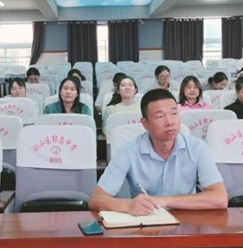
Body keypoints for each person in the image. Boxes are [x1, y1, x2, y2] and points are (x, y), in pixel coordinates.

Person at [89, 89, 228, 215]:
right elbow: (96, 200)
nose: (170, 122)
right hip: (147, 224)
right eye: (160, 116)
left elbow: (220, 198)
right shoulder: (128, 151)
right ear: (145, 123)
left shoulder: (197, 147)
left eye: (174, 113)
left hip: (187, 222)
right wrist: (128, 205)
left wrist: (165, 201)